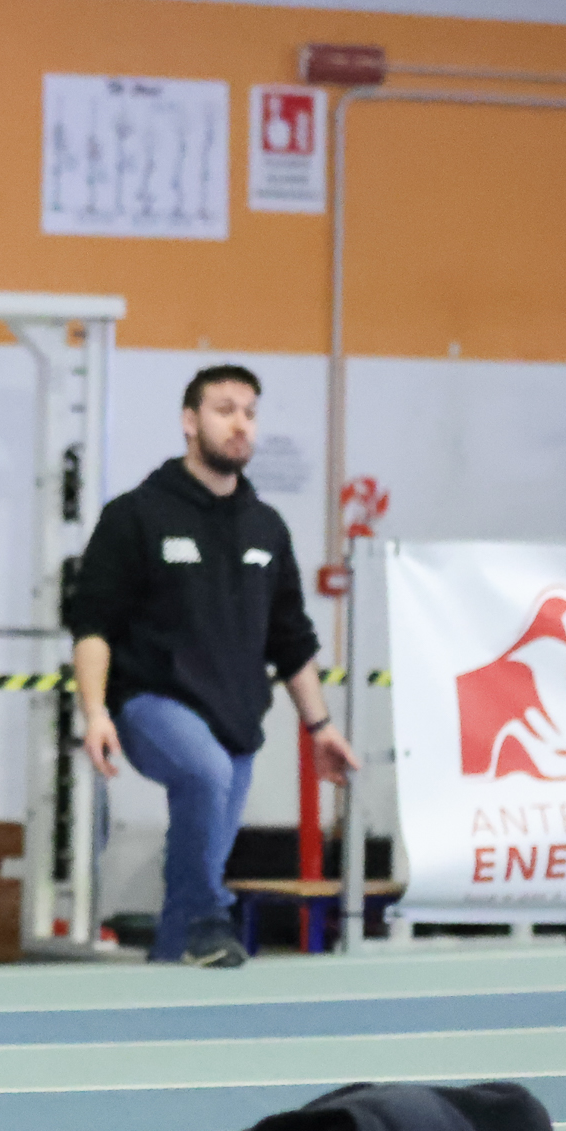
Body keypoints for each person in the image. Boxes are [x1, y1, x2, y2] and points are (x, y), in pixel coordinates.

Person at [67, 365, 358, 967]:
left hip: (236, 723)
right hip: (151, 704)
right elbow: (92, 625)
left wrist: (321, 727)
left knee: (198, 863)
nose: (240, 424)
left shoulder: (266, 528)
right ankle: (209, 918)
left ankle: (174, 965)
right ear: (189, 421)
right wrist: (94, 712)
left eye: (249, 412)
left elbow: (291, 640)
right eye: (224, 409)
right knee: (203, 774)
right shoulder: (135, 515)